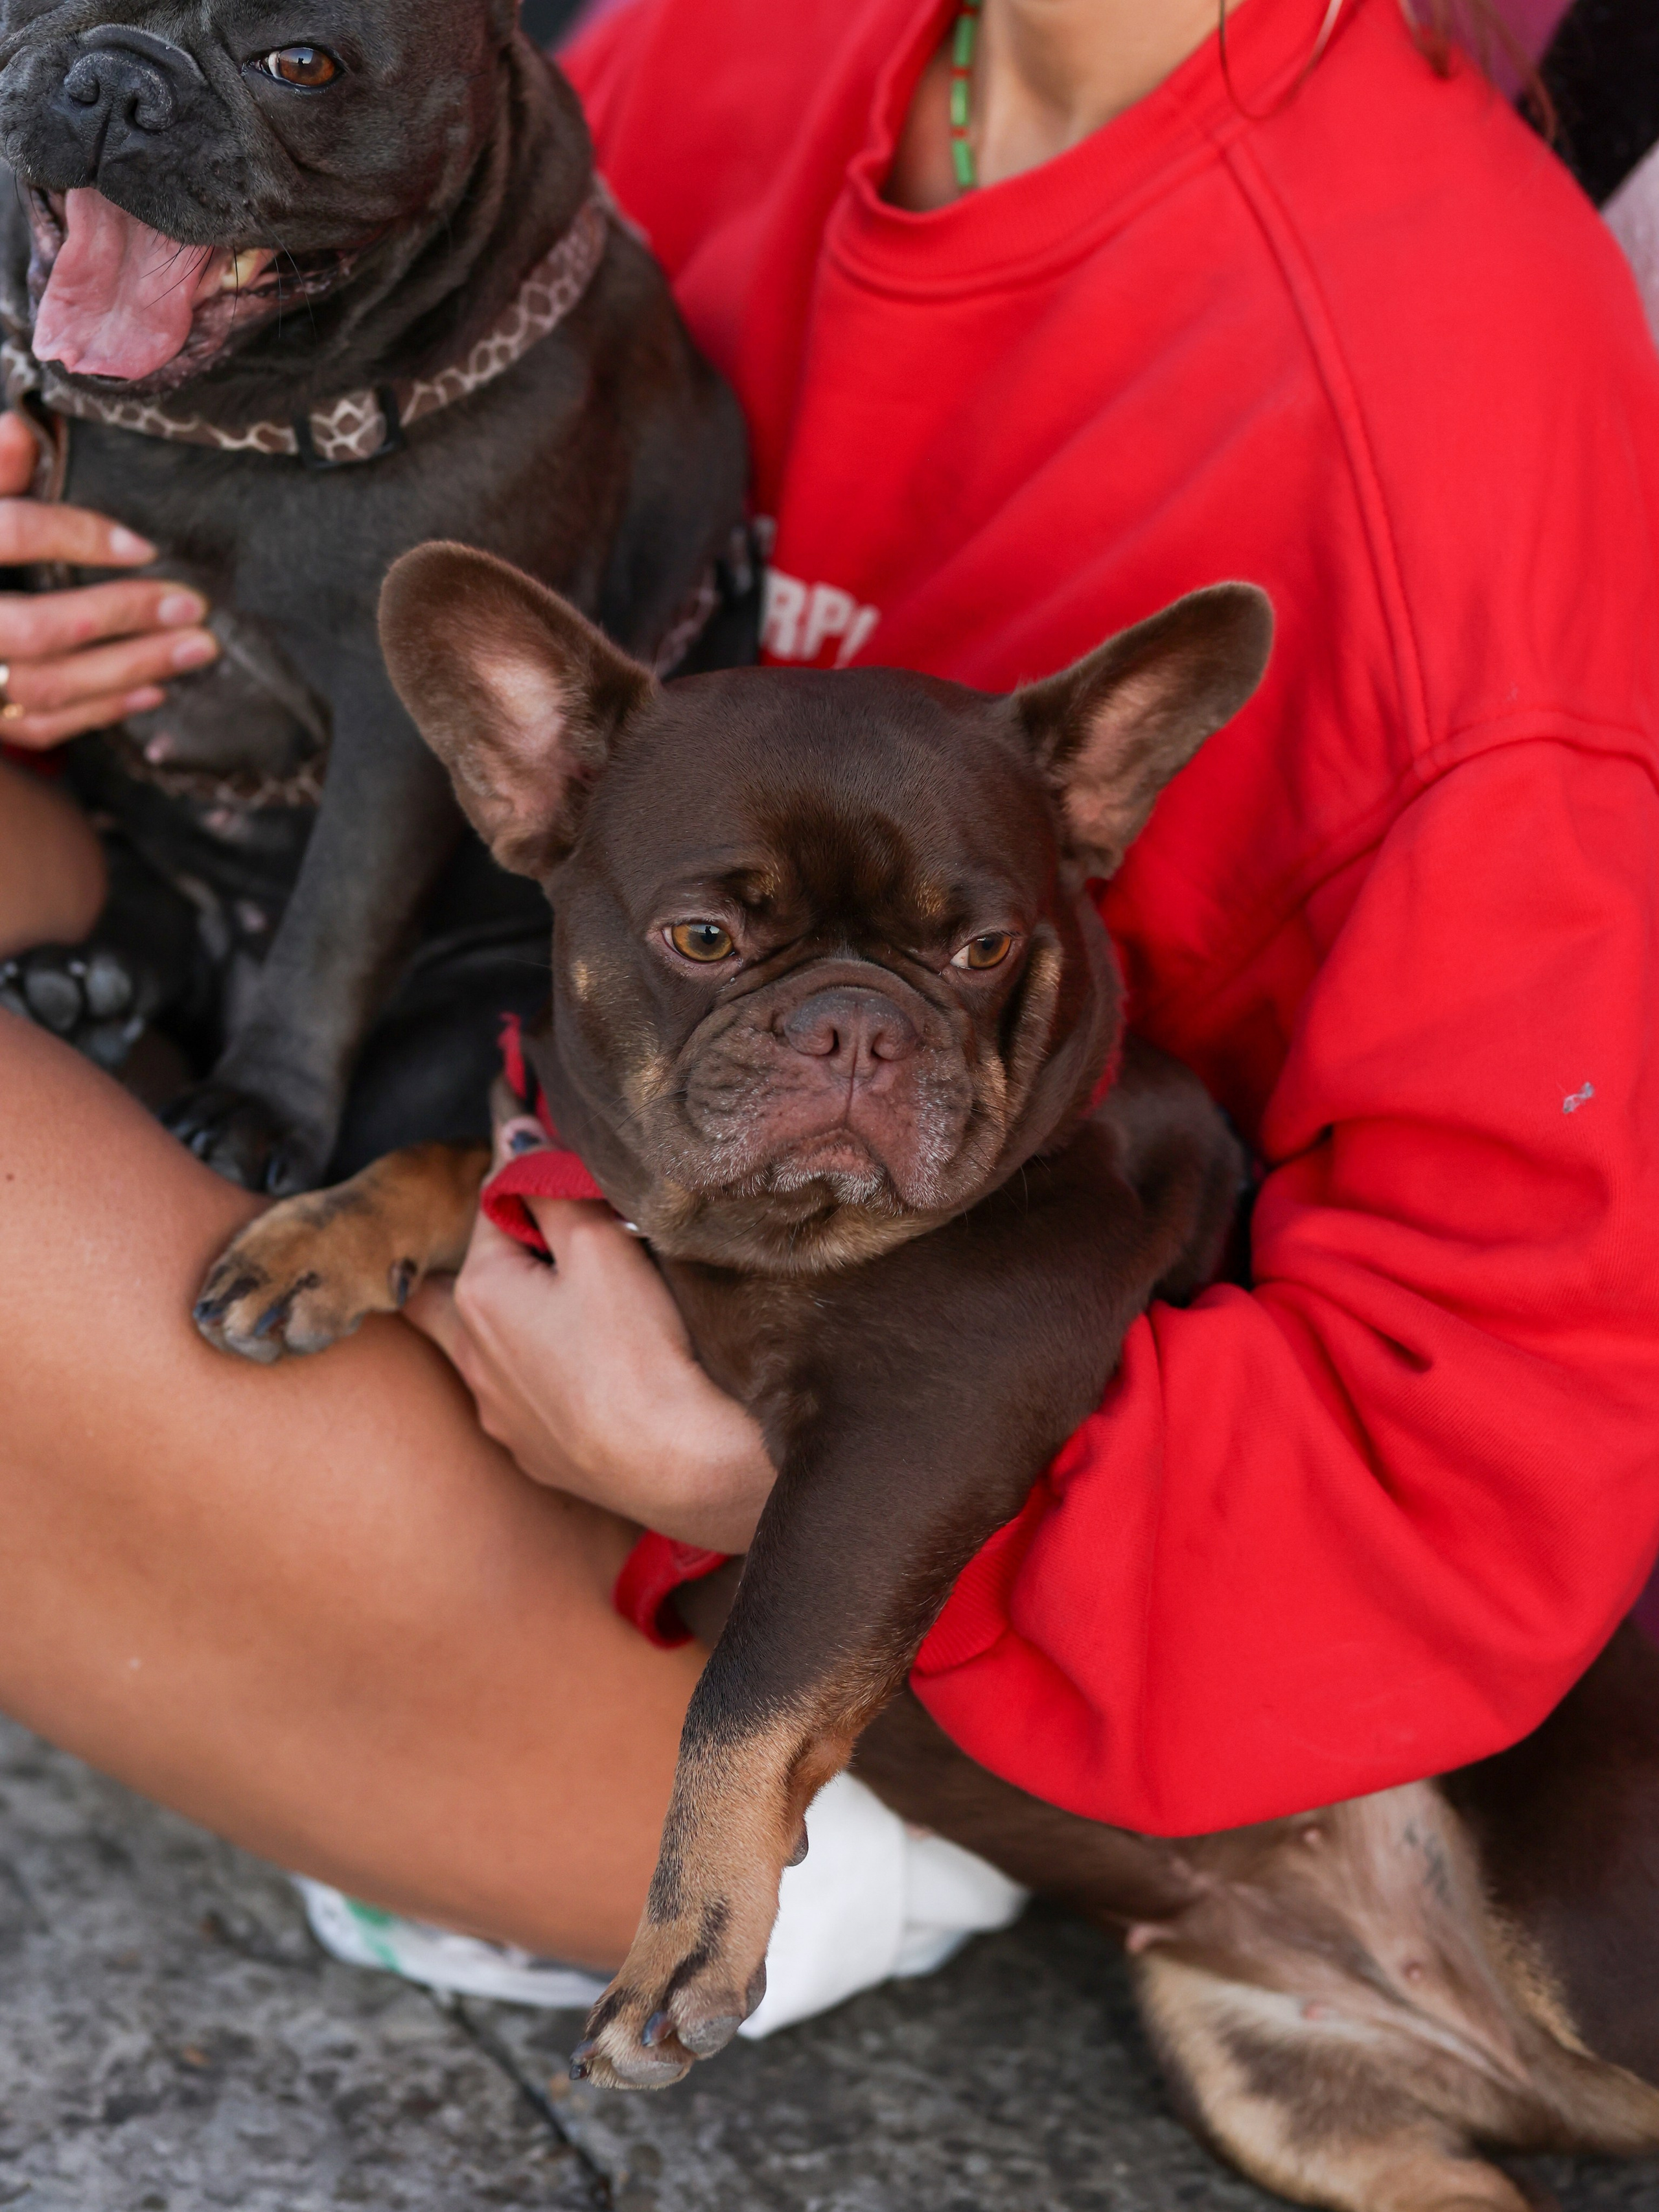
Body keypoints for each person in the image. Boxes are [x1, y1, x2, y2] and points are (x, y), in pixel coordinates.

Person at [1, 0, 1657, 2028]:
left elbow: (1484, 1498)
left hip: (865, 1626)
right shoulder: (744, 33)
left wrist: (732, 1490)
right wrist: (98, 541)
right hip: (503, 1104)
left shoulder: (1459, 396)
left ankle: (798, 1877)